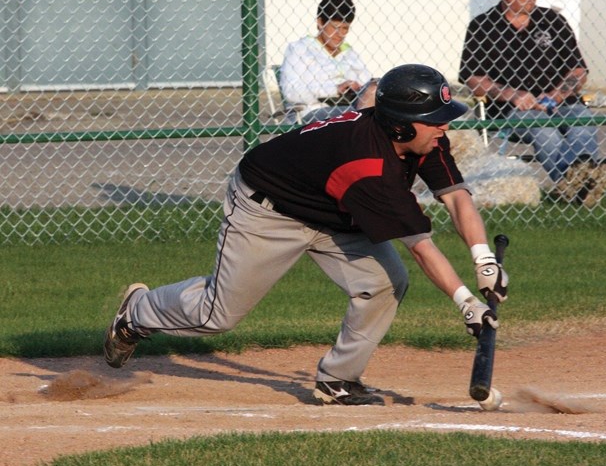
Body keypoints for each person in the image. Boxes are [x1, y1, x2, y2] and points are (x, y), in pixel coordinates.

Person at [103, 64, 509, 407]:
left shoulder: (425, 141)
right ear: (401, 128)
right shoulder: (369, 167)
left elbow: (456, 199)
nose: (444, 127)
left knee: (384, 283)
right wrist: (466, 303)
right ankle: (138, 311)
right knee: (217, 315)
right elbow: (421, 247)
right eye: (436, 120)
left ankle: (337, 380)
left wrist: (483, 259)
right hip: (270, 209)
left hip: (334, 209)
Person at [459, 0, 606, 207]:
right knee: (545, 132)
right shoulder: (483, 27)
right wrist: (514, 96)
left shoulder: (552, 21)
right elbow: (474, 79)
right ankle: (577, 184)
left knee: (582, 123)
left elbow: (578, 70)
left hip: (560, 102)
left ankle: (578, 184)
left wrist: (555, 96)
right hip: (513, 110)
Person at [279, 0, 377, 123]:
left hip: (350, 108)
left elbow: (366, 84)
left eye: (345, 28)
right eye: (335, 27)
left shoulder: (348, 53)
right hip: (310, 113)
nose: (340, 34)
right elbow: (291, 92)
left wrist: (356, 86)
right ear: (320, 22)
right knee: (362, 116)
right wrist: (334, 89)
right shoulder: (299, 49)